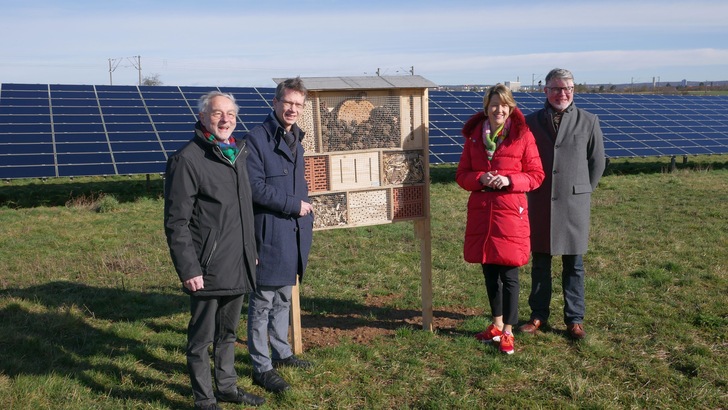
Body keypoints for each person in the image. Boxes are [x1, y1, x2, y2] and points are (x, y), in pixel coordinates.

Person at [163, 91, 265, 409]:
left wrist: (252, 250)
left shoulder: (238, 154)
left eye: (231, 114)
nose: (225, 120)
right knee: (201, 340)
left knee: (228, 333)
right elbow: (176, 222)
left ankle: (227, 387)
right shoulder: (188, 159)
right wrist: (189, 268)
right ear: (204, 117)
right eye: (218, 114)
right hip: (207, 269)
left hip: (239, 261)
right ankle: (204, 400)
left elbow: (244, 210)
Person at [456, 84, 545, 355]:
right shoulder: (474, 137)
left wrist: (508, 180)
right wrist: (479, 178)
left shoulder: (523, 135)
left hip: (510, 212)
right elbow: (462, 174)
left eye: (504, 105)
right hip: (483, 211)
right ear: (486, 107)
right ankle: (495, 326)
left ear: (511, 107)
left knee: (509, 273)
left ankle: (508, 330)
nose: (499, 109)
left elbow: (536, 175)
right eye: (494, 104)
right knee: (489, 272)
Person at [521, 68, 606, 340]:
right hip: (540, 200)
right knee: (540, 262)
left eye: (568, 87)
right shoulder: (530, 122)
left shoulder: (589, 121)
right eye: (557, 88)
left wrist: (584, 189)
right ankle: (538, 315)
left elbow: (597, 162)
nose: (563, 93)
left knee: (574, 264)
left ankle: (574, 319)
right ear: (545, 91)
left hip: (574, 203)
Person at [244, 77, 314, 393]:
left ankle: (281, 352)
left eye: (298, 104)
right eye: (288, 102)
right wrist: (293, 205)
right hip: (268, 234)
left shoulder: (295, 139)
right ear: (275, 102)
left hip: (293, 235)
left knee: (284, 297)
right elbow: (254, 188)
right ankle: (262, 366)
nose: (293, 109)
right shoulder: (257, 139)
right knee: (262, 304)